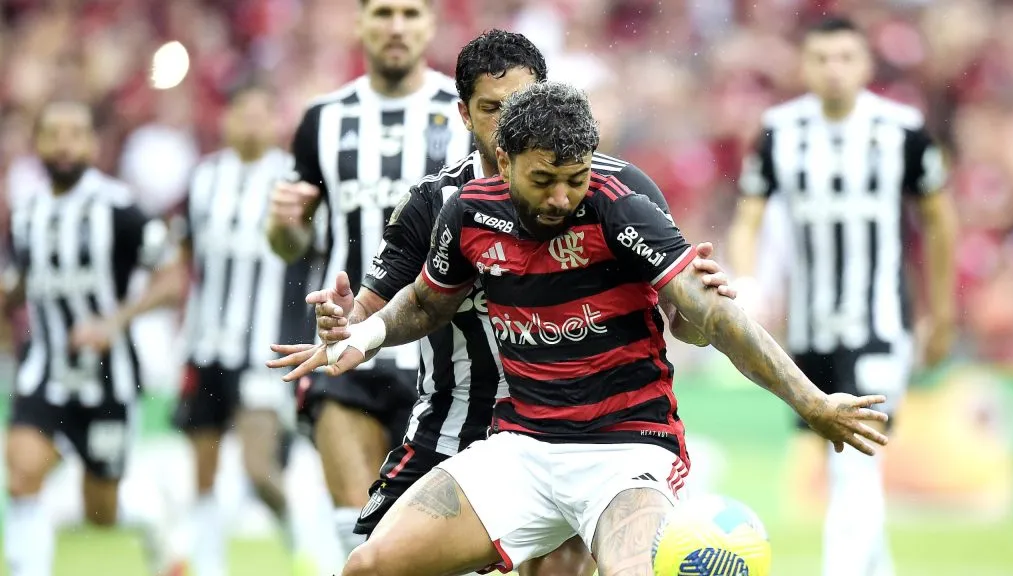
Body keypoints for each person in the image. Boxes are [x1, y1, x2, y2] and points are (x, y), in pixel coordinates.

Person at [270, 81, 890, 576]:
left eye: (576, 177)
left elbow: (712, 317)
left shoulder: (619, 206)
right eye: (543, 179)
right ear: (504, 160)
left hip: (627, 451)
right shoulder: (467, 213)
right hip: (522, 449)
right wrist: (363, 335)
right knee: (370, 566)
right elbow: (427, 305)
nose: (562, 197)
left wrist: (813, 402)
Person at [301, 29, 735, 576]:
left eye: (520, 102)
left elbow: (681, 319)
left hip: (575, 427)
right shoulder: (437, 204)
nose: (508, 119)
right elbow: (382, 309)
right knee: (369, 563)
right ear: (464, 114)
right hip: (454, 424)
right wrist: (346, 324)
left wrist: (699, 310)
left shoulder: (610, 191)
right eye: (491, 107)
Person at [727, 16, 957, 576]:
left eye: (846, 58)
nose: (834, 70)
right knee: (844, 464)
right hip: (809, 329)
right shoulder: (780, 132)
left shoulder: (902, 129)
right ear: (804, 66)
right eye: (822, 59)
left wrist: (943, 312)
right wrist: (748, 284)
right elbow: (748, 218)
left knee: (857, 461)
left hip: (880, 324)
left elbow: (939, 219)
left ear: (866, 66)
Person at [266, 0, 473, 556]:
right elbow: (293, 242)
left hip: (445, 355)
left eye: (411, 13)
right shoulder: (322, 118)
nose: (397, 27)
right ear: (359, 24)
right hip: (345, 344)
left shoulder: (465, 115)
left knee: (428, 546)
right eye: (383, 12)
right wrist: (284, 224)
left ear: (431, 24)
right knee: (358, 530)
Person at [1, 101, 183, 576]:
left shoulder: (120, 209)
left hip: (109, 378)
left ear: (92, 144)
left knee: (100, 513)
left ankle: (150, 517)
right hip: (44, 371)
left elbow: (171, 279)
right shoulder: (26, 213)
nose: (64, 144)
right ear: (36, 144)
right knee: (21, 473)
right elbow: (21, 284)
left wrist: (115, 321)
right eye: (53, 134)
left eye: (75, 134)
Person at [170, 83, 325, 576]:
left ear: (276, 121)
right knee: (204, 470)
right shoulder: (203, 178)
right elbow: (185, 257)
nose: (252, 124)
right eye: (243, 114)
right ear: (227, 120)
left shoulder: (295, 181)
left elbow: (314, 252)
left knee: (259, 467)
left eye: (262, 114)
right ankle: (209, 566)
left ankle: (312, 548)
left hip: (267, 345)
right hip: (205, 345)